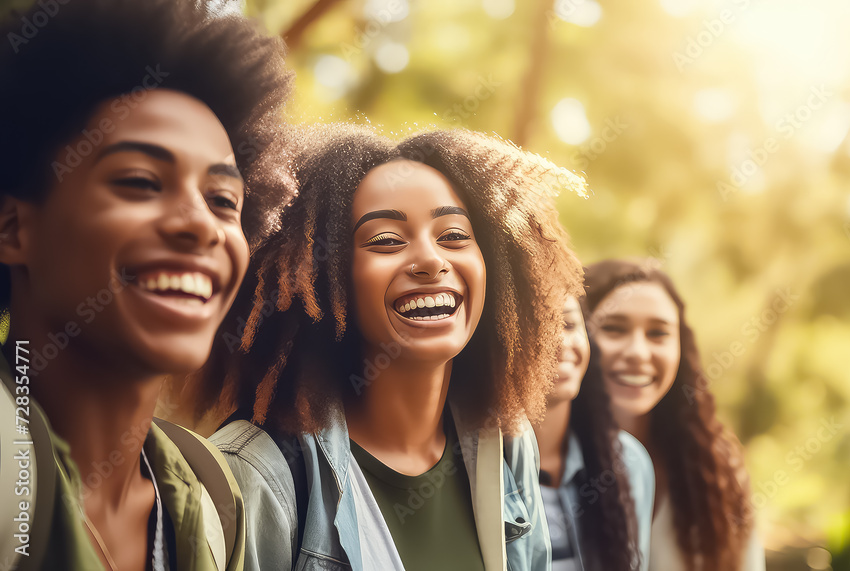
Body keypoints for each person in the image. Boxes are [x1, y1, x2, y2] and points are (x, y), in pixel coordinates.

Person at [181, 124, 586, 570]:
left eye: (453, 235)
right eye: (387, 241)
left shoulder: (505, 443)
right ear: (324, 275)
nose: (432, 260)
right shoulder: (256, 474)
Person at [0, 0, 293, 568]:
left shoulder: (214, 503)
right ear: (14, 229)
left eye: (223, 201)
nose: (200, 225)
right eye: (139, 181)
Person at [583, 259, 764, 571]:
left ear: (681, 348)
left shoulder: (718, 472)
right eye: (613, 328)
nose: (638, 353)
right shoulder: (545, 463)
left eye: (658, 333)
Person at [533, 295, 654, 570]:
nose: (560, 343)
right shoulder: (477, 468)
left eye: (568, 324)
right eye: (535, 326)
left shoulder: (628, 461)